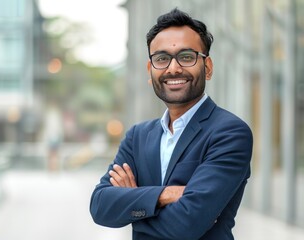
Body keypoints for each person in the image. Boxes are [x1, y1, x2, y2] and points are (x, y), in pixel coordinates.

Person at [90, 8, 253, 240]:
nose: (173, 68)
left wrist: (134, 205)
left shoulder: (230, 132)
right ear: (150, 70)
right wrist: (165, 195)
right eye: (162, 58)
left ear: (207, 68)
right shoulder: (138, 136)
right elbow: (100, 207)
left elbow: (186, 225)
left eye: (186, 57)